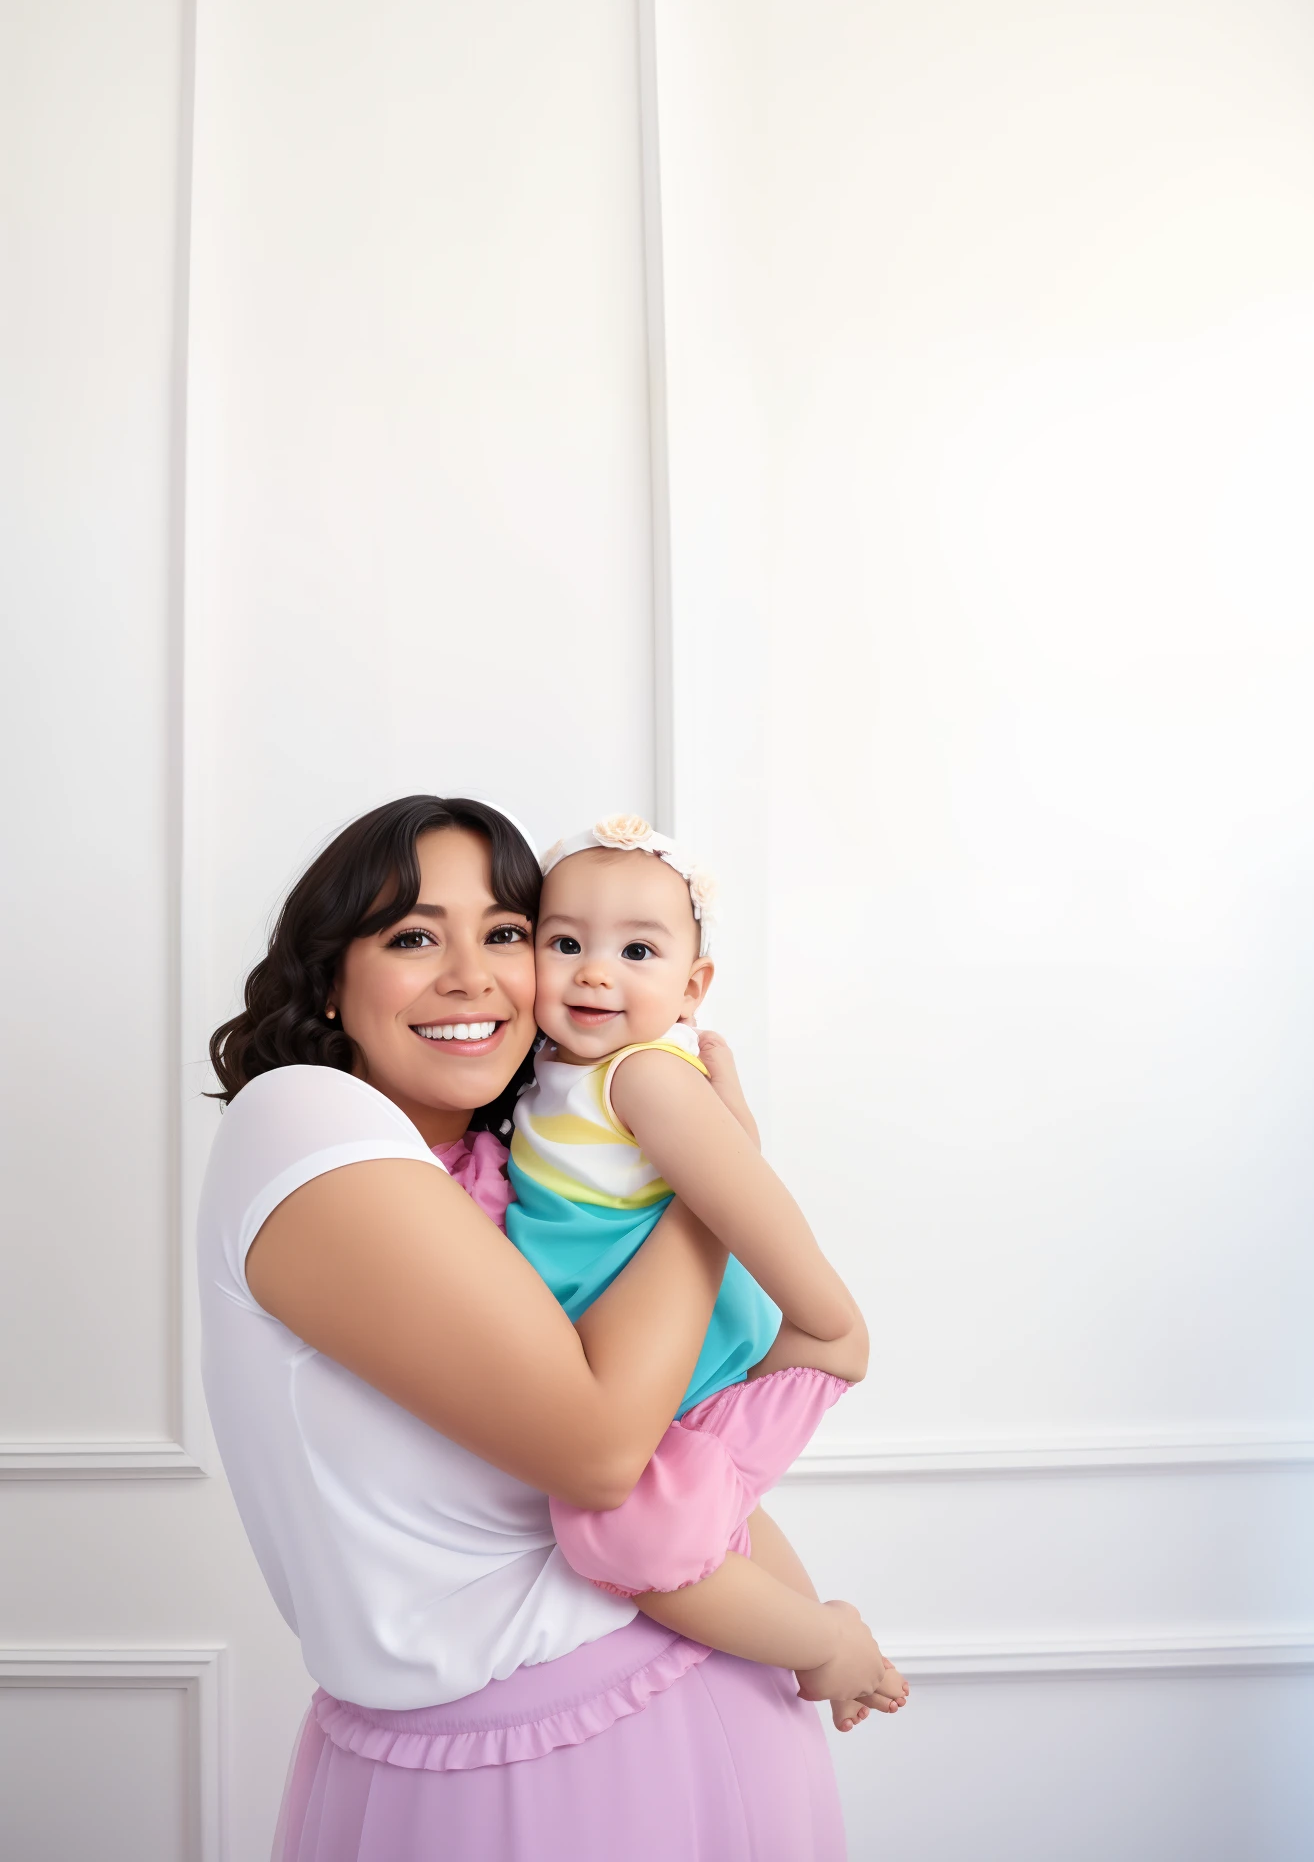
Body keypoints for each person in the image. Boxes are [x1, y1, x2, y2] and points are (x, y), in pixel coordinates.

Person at [198, 794, 893, 1861]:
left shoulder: (509, 1171)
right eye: (414, 933)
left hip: (648, 1719)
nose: (473, 973)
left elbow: (666, 1460)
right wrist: (707, 1170)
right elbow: (604, 1448)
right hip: (517, 1745)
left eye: (508, 933)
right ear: (330, 975)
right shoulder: (305, 1115)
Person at [501, 814, 906, 1733]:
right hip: (629, 1362)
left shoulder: (643, 1076)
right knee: (718, 1515)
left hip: (693, 1363)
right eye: (565, 943)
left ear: (693, 989)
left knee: (620, 1535)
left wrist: (828, 1322)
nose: (595, 971)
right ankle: (825, 1640)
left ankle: (820, 1645)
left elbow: (744, 1196)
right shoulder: (549, 1070)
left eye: (637, 951)